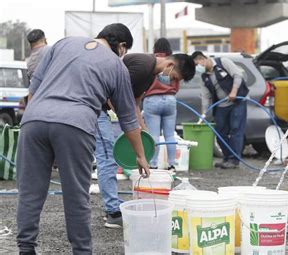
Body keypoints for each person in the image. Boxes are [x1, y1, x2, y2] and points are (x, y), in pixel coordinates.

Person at [16, 23, 150, 255]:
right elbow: (128, 120)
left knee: (30, 190)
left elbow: (33, 87)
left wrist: (33, 116)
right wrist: (140, 155)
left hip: (34, 120)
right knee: (75, 193)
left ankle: (26, 248)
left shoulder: (62, 43)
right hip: (75, 124)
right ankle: (81, 251)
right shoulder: (117, 66)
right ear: (121, 46)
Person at [96, 51, 195, 228]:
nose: (171, 82)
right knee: (107, 157)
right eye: (174, 77)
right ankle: (113, 212)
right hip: (95, 106)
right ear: (170, 65)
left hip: (104, 109)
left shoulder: (150, 75)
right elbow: (114, 96)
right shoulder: (142, 66)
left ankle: (112, 207)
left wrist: (144, 128)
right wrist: (128, 123)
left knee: (108, 157)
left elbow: (133, 102)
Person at [191, 51, 248, 169]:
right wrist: (204, 113)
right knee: (220, 131)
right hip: (221, 105)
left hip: (237, 101)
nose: (198, 68)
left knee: (236, 129)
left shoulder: (223, 62)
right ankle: (227, 157)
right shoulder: (204, 77)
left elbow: (238, 75)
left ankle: (234, 160)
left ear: (203, 59)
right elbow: (206, 96)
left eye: (198, 64)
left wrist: (234, 91)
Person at [143, 38, 180, 170]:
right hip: (170, 99)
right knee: (170, 134)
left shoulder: (150, 61)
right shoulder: (173, 62)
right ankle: (172, 164)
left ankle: (153, 164)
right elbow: (177, 81)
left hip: (152, 99)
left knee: (154, 134)